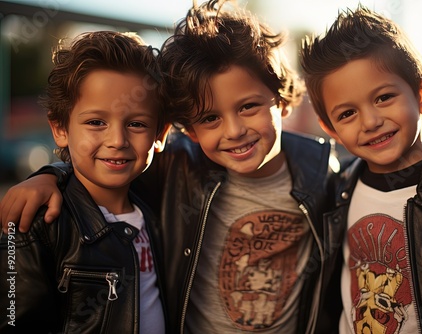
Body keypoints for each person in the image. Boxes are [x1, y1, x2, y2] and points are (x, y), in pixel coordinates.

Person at [0, 1, 339, 333]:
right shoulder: (180, 171)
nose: (234, 131)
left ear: (280, 100)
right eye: (210, 118)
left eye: (248, 106)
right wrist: (51, 176)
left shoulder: (324, 177)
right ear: (190, 130)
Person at [300, 5, 422, 334]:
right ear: (330, 126)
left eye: (383, 97)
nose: (371, 121)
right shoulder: (336, 193)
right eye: (347, 113)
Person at [0, 31, 169, 333]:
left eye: (136, 124)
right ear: (60, 128)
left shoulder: (162, 211)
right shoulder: (37, 224)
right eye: (96, 122)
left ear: (160, 135)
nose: (117, 140)